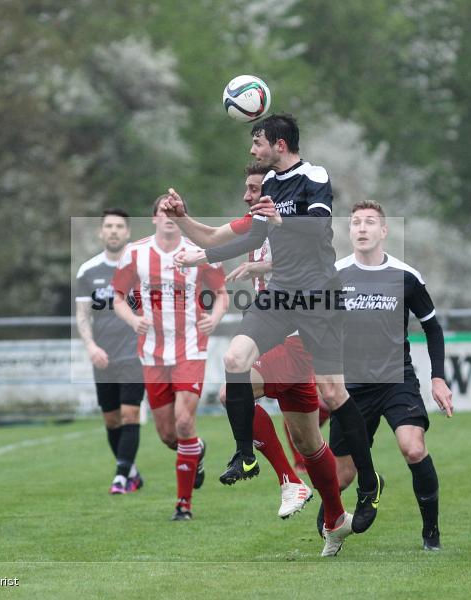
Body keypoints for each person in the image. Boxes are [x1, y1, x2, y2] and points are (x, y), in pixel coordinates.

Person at [174, 114, 382, 555]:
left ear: (279, 143)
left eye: (257, 142)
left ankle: (368, 483)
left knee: (332, 392)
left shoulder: (313, 176)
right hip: (282, 295)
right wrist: (201, 253)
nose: (253, 150)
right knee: (234, 361)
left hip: (319, 297)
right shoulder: (268, 187)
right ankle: (244, 453)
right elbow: (241, 239)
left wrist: (280, 222)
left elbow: (320, 231)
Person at [160, 163, 332, 520]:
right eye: (247, 188)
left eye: (254, 189)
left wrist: (263, 268)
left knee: (231, 391)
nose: (247, 195)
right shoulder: (256, 224)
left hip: (295, 335)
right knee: (308, 443)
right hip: (271, 334)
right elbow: (210, 236)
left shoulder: (294, 224)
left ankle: (283, 477)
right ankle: (336, 515)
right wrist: (182, 220)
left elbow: (317, 262)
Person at [326, 201, 453, 551]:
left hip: (397, 380)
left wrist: (437, 378)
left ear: (384, 231)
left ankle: (431, 533)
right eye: (355, 223)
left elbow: (433, 328)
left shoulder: (406, 277)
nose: (362, 228)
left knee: (413, 448)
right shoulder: (335, 275)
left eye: (370, 222)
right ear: (349, 232)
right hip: (351, 388)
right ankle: (345, 513)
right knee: (342, 476)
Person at [112, 196, 228, 521]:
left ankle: (183, 504)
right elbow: (117, 298)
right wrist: (134, 320)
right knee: (168, 435)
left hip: (191, 347)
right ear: (153, 218)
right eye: (161, 211)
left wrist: (215, 318)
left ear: (181, 216)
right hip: (152, 354)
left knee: (184, 421)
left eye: (172, 211)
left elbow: (221, 295)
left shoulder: (198, 252)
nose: (167, 216)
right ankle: (196, 451)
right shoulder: (134, 253)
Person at [75, 208, 145, 495]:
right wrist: (91, 346)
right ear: (101, 232)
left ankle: (120, 477)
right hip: (103, 357)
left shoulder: (141, 267)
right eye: (109, 226)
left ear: (127, 232)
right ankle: (131, 471)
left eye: (119, 226)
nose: (114, 231)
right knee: (112, 419)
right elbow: (82, 315)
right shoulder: (88, 271)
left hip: (135, 355)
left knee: (130, 415)